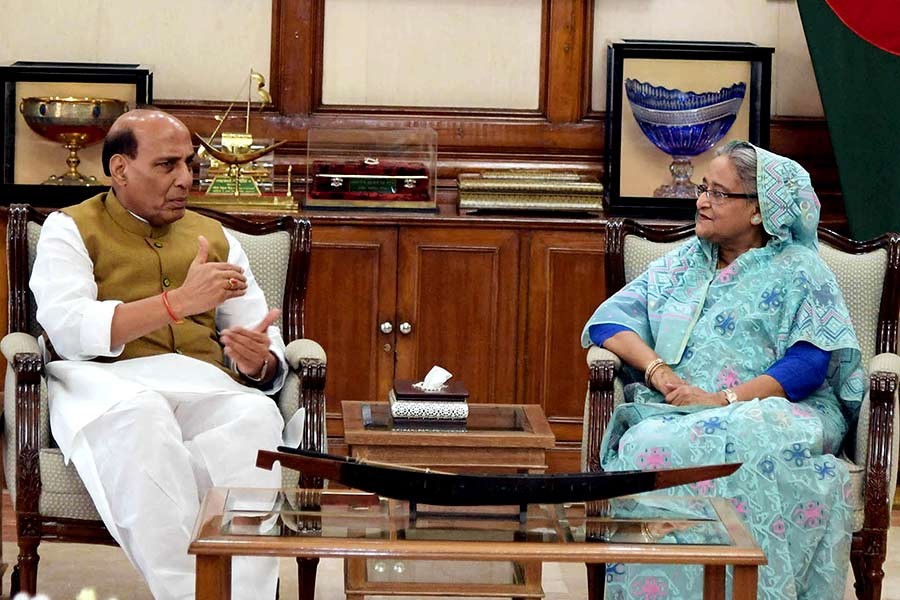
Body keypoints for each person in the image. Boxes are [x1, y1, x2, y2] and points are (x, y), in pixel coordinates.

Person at [582, 141, 863, 600]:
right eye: (702, 188)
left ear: (758, 210)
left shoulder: (801, 269)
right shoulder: (683, 262)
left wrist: (724, 400)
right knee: (645, 444)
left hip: (779, 405)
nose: (702, 200)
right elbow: (608, 322)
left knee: (751, 435)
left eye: (719, 193)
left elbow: (810, 363)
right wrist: (656, 371)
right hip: (682, 408)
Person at [30, 109, 287, 600]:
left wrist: (259, 362)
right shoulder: (71, 228)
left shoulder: (217, 237)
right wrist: (177, 304)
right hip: (108, 382)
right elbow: (68, 329)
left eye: (190, 164)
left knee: (254, 417)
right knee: (142, 419)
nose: (185, 179)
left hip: (202, 381)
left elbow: (256, 334)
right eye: (167, 165)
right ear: (120, 169)